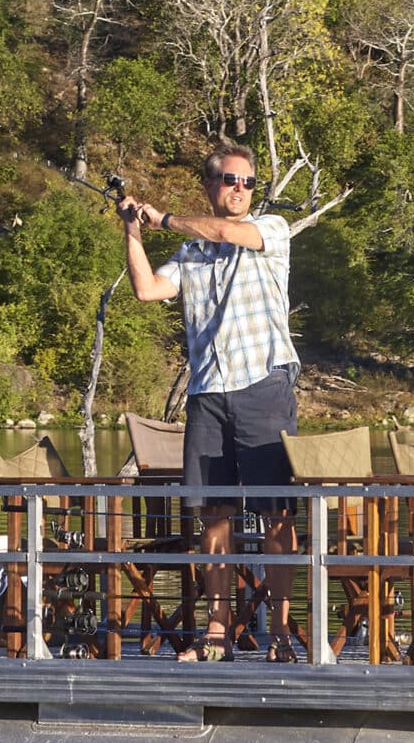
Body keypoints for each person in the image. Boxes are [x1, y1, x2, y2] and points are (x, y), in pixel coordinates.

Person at [119, 144, 300, 662]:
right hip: (208, 392)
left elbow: (224, 232)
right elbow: (148, 290)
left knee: (276, 515)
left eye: (246, 181)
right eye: (228, 180)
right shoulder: (191, 254)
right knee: (214, 517)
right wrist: (134, 231)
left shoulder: (272, 229)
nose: (239, 189)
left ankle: (282, 634)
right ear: (210, 186)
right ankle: (217, 632)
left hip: (263, 385)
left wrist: (166, 217)